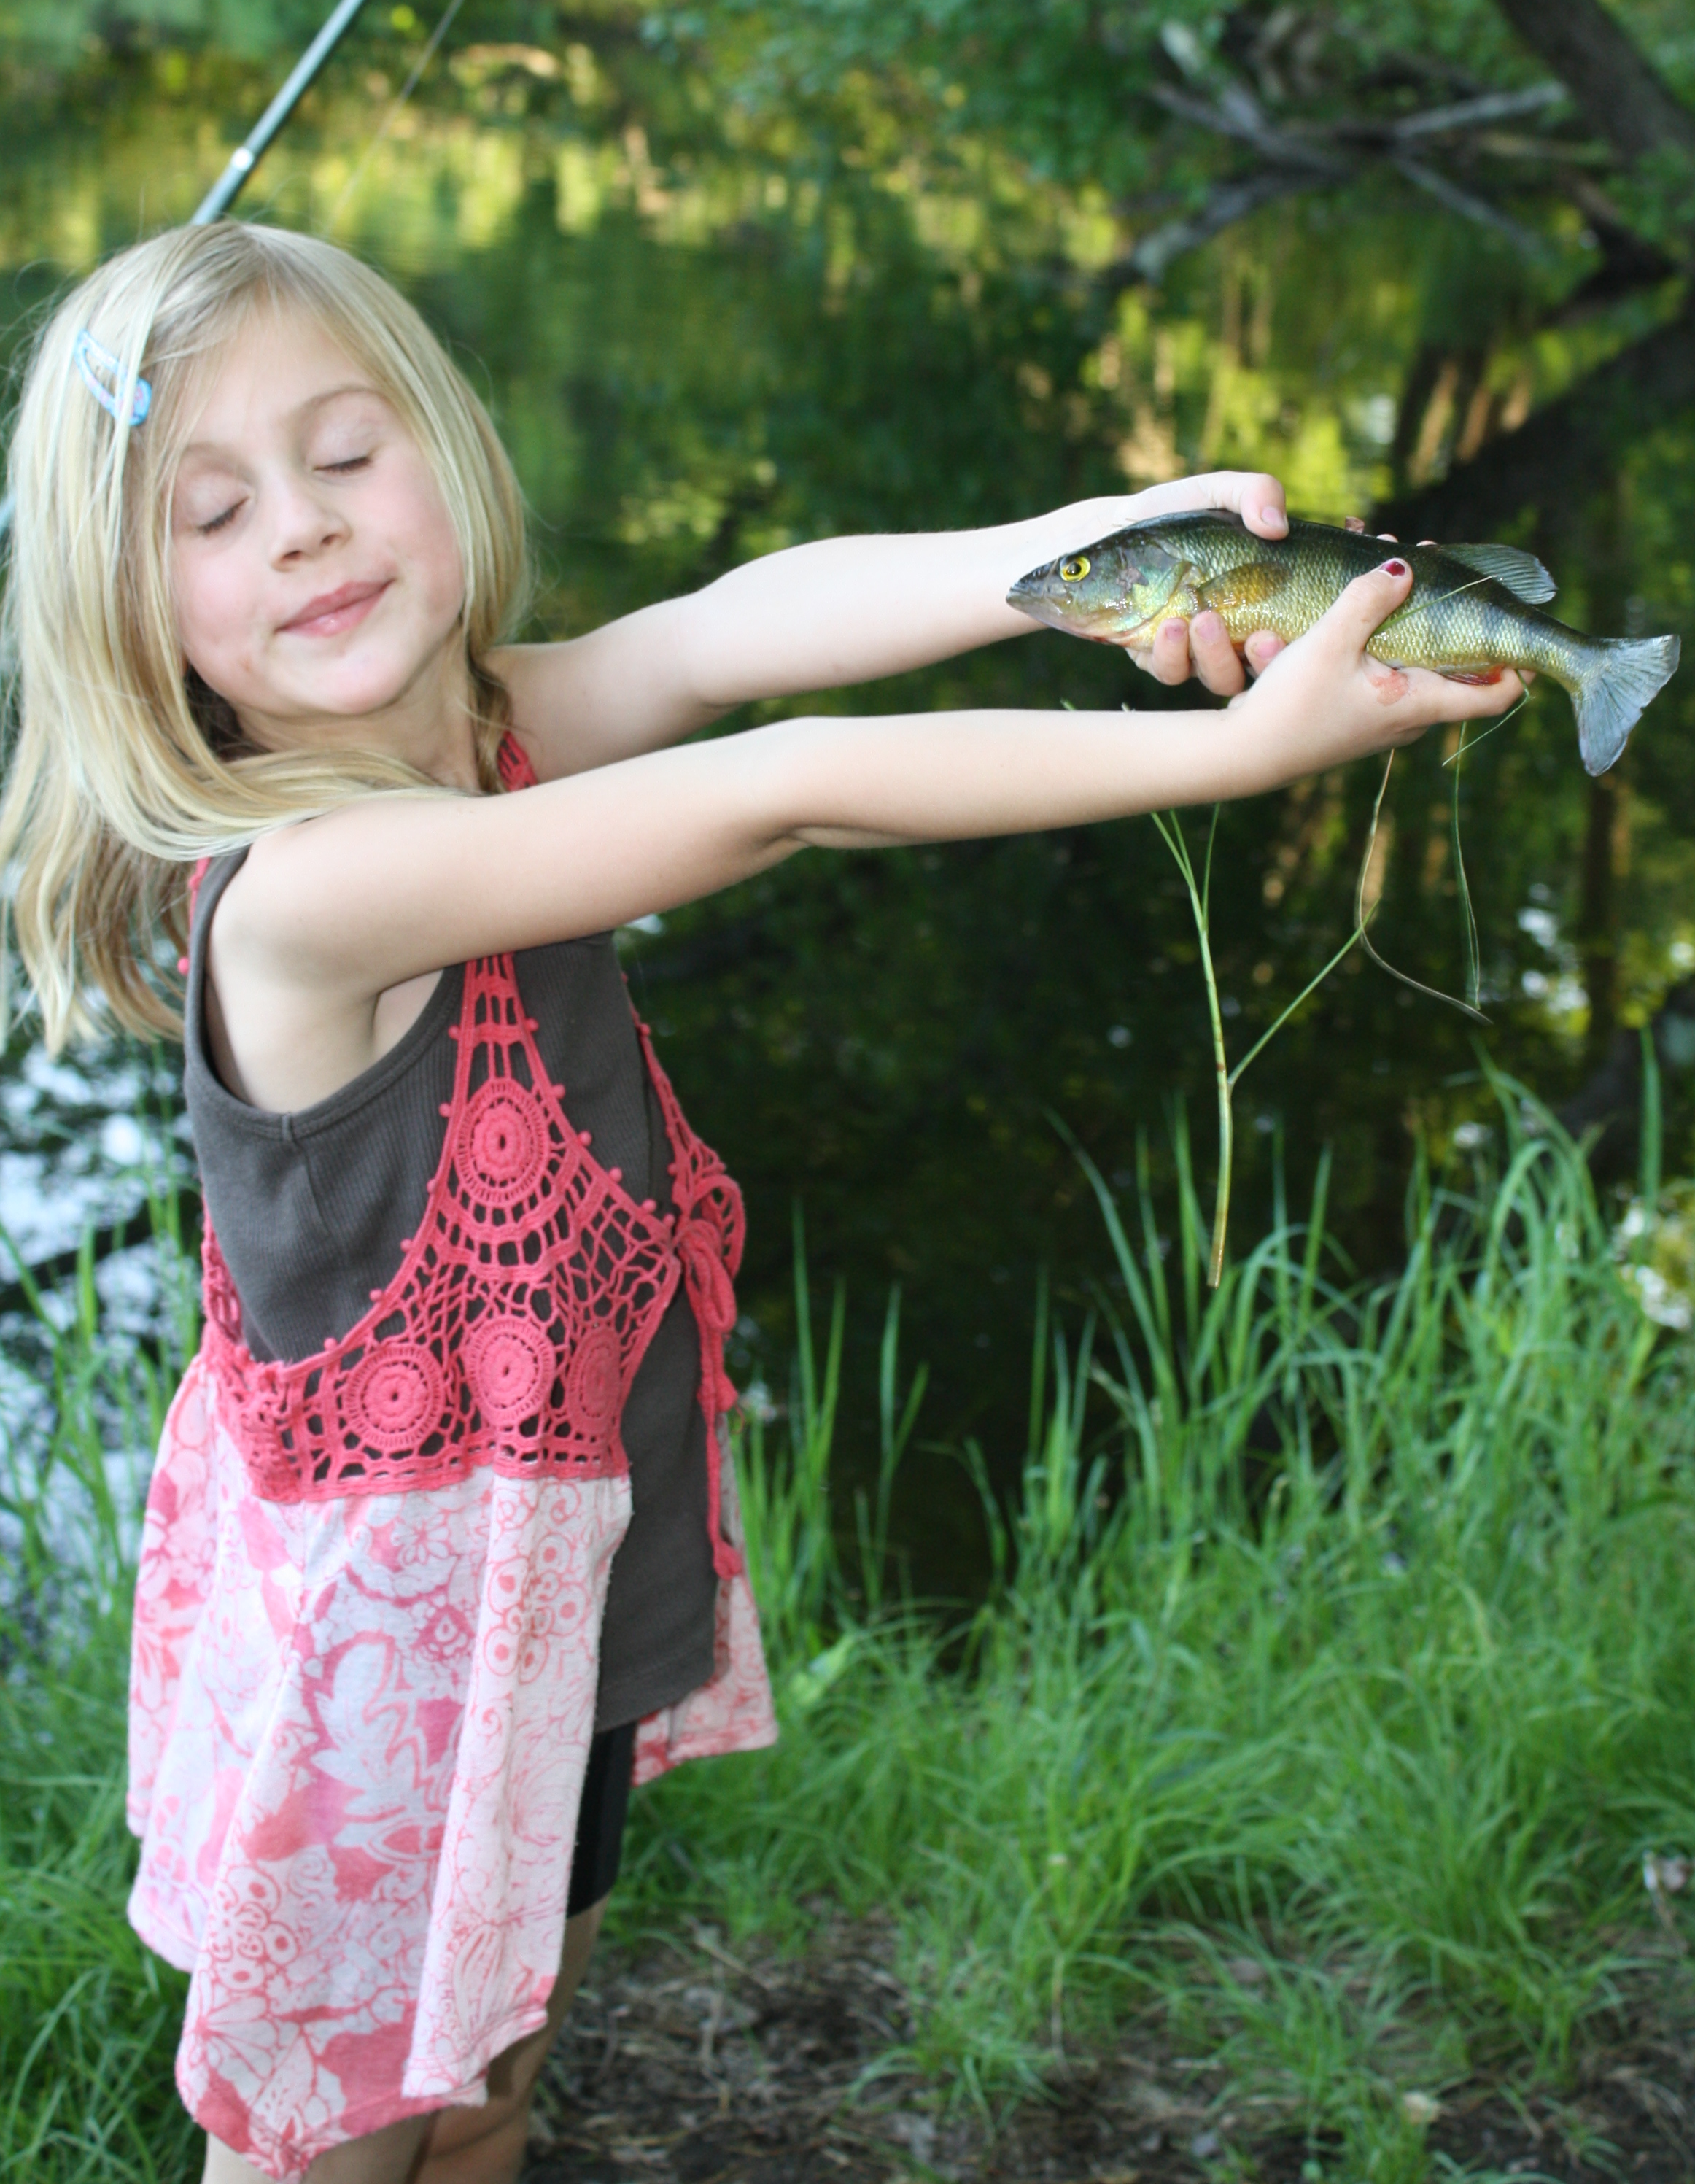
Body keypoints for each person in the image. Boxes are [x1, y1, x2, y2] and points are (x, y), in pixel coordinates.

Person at [0, 221, 1520, 2184]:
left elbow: (735, 630)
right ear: (127, 605)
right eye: (213, 510)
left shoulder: (488, 726)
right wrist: (1231, 756)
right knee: (326, 2149)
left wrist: (1066, 559)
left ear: (446, 451)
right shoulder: (306, 894)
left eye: (348, 453)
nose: (304, 529)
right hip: (381, 1667)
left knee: (491, 2091)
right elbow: (769, 787)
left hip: (556, 1574)